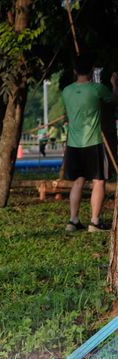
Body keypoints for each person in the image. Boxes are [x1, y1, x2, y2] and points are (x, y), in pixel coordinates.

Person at [61, 53, 118, 233]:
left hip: (73, 144)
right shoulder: (97, 89)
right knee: (99, 181)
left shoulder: (66, 91)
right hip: (93, 142)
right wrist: (115, 84)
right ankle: (94, 222)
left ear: (74, 70)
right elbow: (114, 101)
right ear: (92, 69)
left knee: (78, 181)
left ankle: (73, 220)